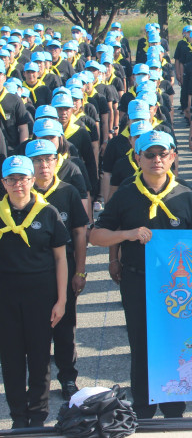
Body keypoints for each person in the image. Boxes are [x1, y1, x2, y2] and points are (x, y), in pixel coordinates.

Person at [90, 131, 192, 419]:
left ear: (173, 157)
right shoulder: (126, 194)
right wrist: (127, 234)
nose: (157, 159)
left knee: (174, 342)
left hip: (176, 285)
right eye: (150, 154)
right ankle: (143, 408)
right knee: (141, 344)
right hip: (138, 280)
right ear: (138, 158)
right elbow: (96, 235)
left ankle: (174, 407)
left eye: (162, 154)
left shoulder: (184, 194)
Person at [0, 155, 68, 428]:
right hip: (6, 297)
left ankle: (38, 416)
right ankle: (18, 417)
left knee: (40, 358)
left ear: (32, 180)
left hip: (41, 296)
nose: (18, 184)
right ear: (4, 183)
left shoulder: (48, 212)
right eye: (12, 179)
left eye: (23, 179)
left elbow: (61, 259)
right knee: (11, 359)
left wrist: (62, 300)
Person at [27, 139, 89, 401]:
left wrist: (80, 271)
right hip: (31, 271)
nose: (44, 165)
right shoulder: (20, 193)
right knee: (33, 328)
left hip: (64, 267)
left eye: (48, 159)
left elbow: (79, 232)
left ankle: (68, 377)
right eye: (37, 160)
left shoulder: (68, 192)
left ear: (56, 161)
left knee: (65, 327)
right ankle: (37, 381)